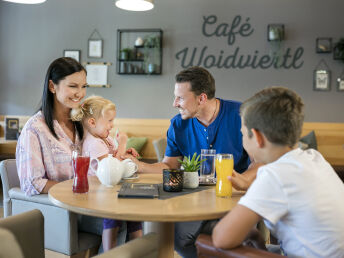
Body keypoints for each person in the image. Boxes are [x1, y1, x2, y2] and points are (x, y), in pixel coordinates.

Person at [124, 66, 260, 258]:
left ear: (201, 98)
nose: (174, 103)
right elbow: (170, 166)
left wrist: (242, 181)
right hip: (196, 200)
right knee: (177, 237)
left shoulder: (241, 115)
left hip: (233, 198)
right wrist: (139, 165)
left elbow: (259, 162)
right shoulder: (178, 124)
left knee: (239, 239)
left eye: (180, 98)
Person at [212, 87, 344, 257]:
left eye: (242, 134)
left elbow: (221, 239)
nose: (242, 139)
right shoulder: (314, 158)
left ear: (257, 137)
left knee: (207, 244)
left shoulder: (275, 175)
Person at [70, 96, 142, 251]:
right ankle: (110, 254)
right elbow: (112, 168)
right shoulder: (92, 143)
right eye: (109, 121)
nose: (112, 125)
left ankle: (138, 252)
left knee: (135, 215)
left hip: (109, 191)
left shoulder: (104, 138)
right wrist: (123, 143)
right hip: (98, 197)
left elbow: (115, 156)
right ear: (92, 122)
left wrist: (123, 152)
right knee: (114, 218)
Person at [16, 57, 87, 196]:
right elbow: (33, 183)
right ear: (52, 86)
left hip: (89, 203)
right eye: (73, 86)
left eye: (84, 86)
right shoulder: (34, 129)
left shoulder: (84, 123)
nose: (80, 93)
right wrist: (75, 187)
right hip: (58, 209)